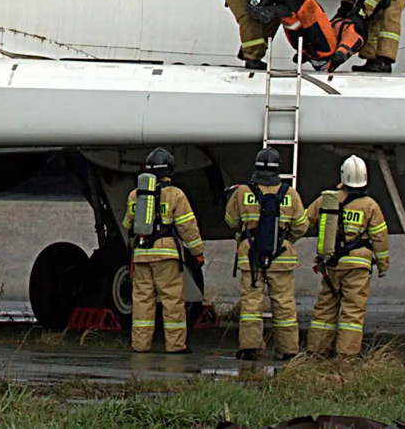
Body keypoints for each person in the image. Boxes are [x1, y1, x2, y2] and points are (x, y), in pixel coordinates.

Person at [224, 147, 309, 361]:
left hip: (250, 258)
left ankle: (250, 347)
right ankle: (288, 349)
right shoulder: (290, 193)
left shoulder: (242, 192)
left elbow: (231, 221)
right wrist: (286, 240)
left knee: (251, 303)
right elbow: (301, 225)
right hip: (281, 257)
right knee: (284, 303)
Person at [303, 155, 391, 357]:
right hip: (358, 265)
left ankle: (316, 351)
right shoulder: (370, 206)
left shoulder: (326, 200)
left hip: (332, 263)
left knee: (325, 308)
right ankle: (346, 355)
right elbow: (380, 239)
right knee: (353, 310)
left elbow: (303, 223)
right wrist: (383, 265)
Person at [121, 148, 204, 354]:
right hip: (166, 255)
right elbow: (188, 227)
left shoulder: (135, 194)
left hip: (141, 254)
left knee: (142, 301)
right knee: (172, 300)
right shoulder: (175, 194)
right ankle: (175, 346)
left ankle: (140, 345)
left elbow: (126, 224)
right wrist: (197, 252)